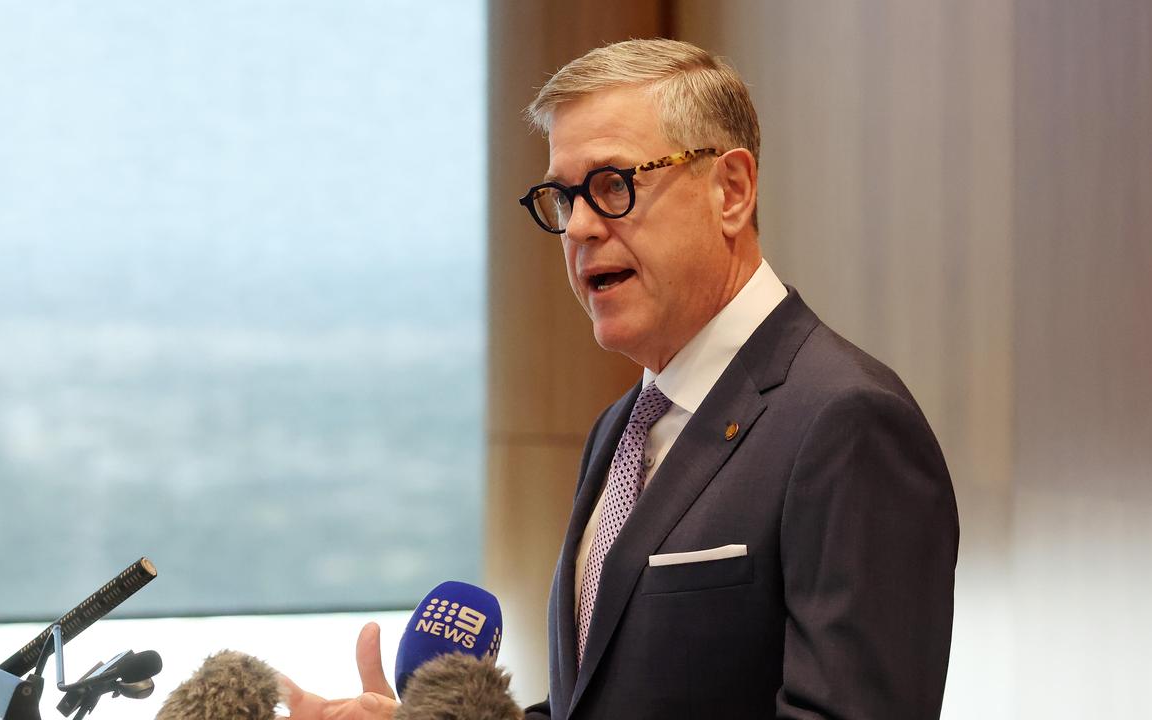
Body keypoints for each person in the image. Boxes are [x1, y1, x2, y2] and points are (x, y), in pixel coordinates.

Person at [284, 38, 958, 720]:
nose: (577, 227)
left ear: (731, 190)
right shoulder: (624, 428)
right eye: (562, 197)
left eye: (612, 186)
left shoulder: (846, 422)